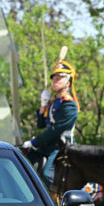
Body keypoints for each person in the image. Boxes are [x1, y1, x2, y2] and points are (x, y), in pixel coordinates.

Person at [21, 57, 78, 187]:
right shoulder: (54, 102)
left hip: (62, 147)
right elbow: (40, 124)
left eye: (59, 78)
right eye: (54, 78)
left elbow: (55, 131)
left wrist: (34, 142)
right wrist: (43, 105)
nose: (54, 81)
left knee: (48, 175)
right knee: (25, 163)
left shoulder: (69, 105)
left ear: (68, 82)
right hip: (48, 146)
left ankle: (56, 204)